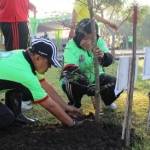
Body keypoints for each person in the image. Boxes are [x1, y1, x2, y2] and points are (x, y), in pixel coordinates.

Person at [0, 38, 81, 129]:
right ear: (38, 58)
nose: (49, 67)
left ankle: (16, 119)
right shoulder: (26, 75)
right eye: (49, 63)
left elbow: (45, 85)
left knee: (18, 88)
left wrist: (65, 107)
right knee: (5, 117)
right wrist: (72, 123)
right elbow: (49, 105)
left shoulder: (22, 55)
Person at [60, 18, 122, 109]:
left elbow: (109, 59)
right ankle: (75, 104)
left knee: (117, 83)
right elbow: (70, 70)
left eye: (92, 38)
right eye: (85, 38)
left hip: (97, 77)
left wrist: (103, 56)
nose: (89, 42)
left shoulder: (99, 41)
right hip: (80, 79)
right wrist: (87, 86)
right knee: (69, 81)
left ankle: (107, 101)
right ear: (78, 36)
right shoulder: (71, 46)